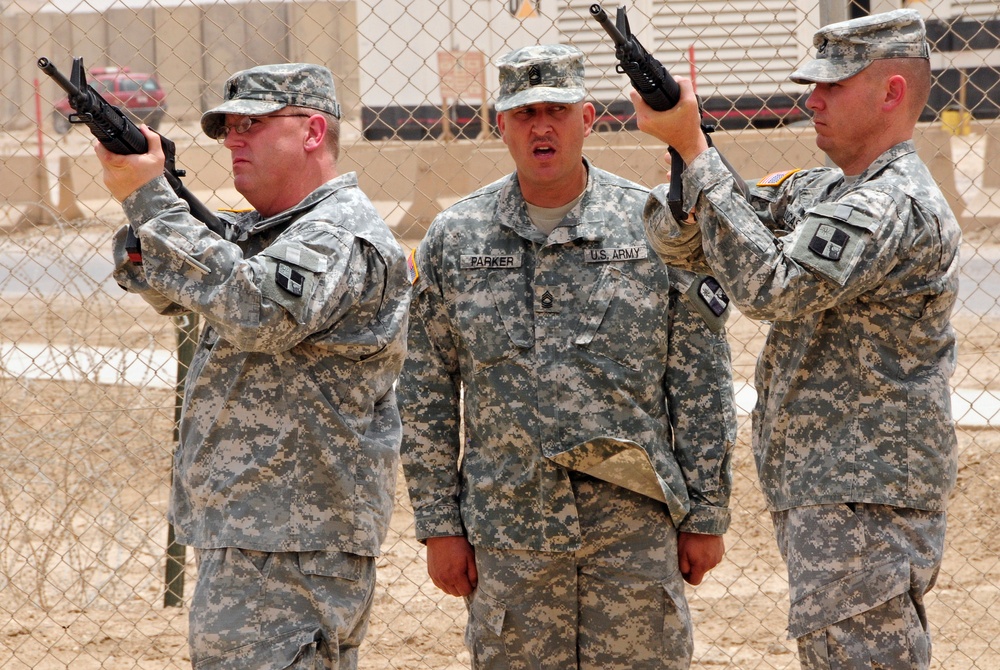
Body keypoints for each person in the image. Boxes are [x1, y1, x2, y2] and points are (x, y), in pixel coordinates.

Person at [632, 10, 960, 669]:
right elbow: (718, 231)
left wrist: (697, 151)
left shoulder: (889, 203)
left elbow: (769, 286)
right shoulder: (832, 189)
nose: (812, 99)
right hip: (832, 490)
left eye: (833, 86)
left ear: (891, 93)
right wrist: (685, 160)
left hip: (866, 499)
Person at [398, 44, 737, 669]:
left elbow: (700, 376)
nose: (542, 126)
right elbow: (426, 391)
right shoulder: (458, 237)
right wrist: (439, 523)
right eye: (524, 113)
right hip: (510, 533)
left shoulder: (652, 226)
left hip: (632, 532)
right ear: (501, 124)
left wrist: (708, 511)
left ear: (589, 117)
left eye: (556, 109)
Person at [96, 63, 411, 669]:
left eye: (253, 124)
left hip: (291, 542)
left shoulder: (338, 234)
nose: (233, 140)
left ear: (313, 131)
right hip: (260, 534)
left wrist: (151, 197)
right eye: (228, 128)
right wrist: (155, 201)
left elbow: (256, 311)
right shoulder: (267, 235)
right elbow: (155, 278)